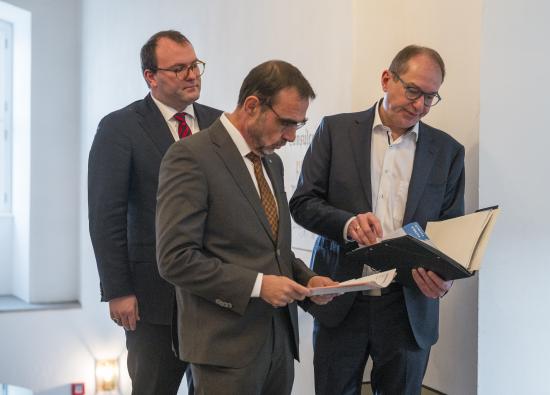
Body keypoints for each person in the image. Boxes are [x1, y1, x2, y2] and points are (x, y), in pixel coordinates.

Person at [289, 45, 465, 395]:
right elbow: (303, 203)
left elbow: (451, 232)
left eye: (430, 98)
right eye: (413, 91)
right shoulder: (335, 131)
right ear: (387, 79)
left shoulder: (448, 151)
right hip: (341, 297)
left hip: (408, 305)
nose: (419, 106)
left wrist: (445, 278)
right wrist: (347, 223)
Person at [155, 60, 337, 395]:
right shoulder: (190, 157)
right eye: (286, 123)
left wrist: (307, 279)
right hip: (224, 350)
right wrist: (257, 285)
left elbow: (272, 249)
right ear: (252, 105)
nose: (291, 136)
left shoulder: (273, 162)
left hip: (279, 344)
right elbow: (175, 258)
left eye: (299, 125)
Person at [88, 30, 223, 395]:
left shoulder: (221, 124)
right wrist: (118, 290)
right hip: (153, 299)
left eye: (194, 65)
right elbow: (106, 216)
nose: (192, 75)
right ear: (151, 76)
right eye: (179, 69)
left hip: (217, 296)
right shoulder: (120, 127)